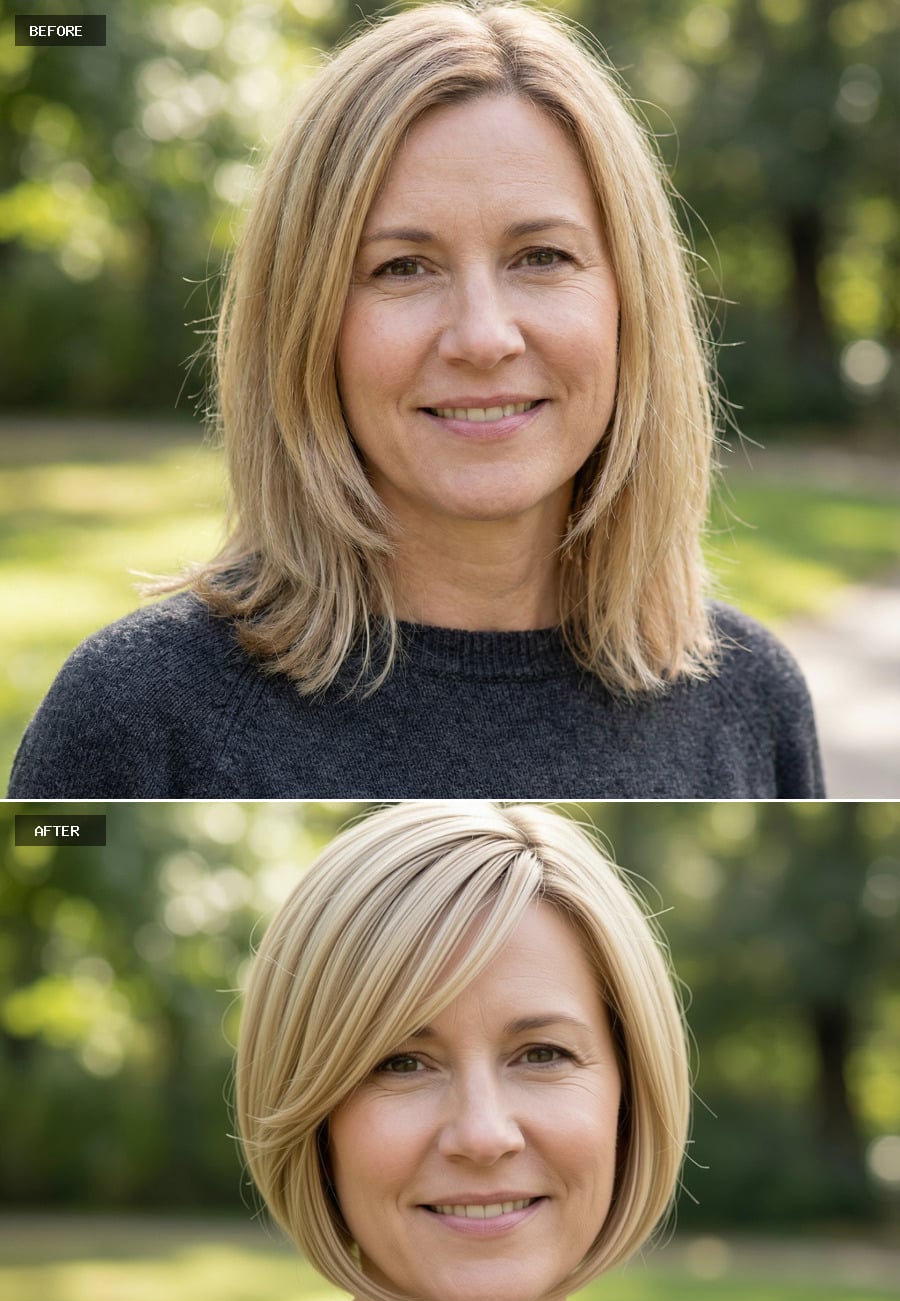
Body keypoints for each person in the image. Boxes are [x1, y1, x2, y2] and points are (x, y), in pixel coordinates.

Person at [9, 3, 823, 800]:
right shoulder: (138, 717)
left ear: (628, 302)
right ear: (305, 322)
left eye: (540, 256)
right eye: (402, 267)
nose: (482, 336)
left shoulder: (752, 704)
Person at [27, 801, 828, 1301]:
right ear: (316, 1112)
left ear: (630, 1088)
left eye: (542, 1053)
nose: (482, 1135)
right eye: (402, 1062)